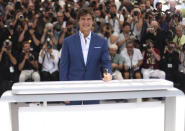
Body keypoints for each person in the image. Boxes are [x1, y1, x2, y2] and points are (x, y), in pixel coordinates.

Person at [60, 7, 112, 105]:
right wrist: (64, 91)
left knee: (92, 119)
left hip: (93, 88)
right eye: (83, 19)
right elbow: (63, 68)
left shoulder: (101, 41)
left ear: (92, 22)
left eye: (88, 19)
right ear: (78, 21)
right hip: (72, 89)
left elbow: (106, 63)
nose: (86, 22)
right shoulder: (68, 42)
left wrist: (108, 73)